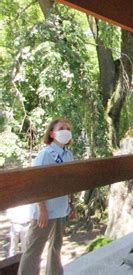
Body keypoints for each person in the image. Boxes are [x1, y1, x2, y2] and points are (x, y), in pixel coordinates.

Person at [18, 118, 76, 275]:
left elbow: (70, 182)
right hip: (44, 211)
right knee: (34, 250)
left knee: (56, 247)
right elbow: (35, 183)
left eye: (68, 128)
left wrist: (72, 204)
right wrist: (42, 209)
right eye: (61, 128)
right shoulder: (45, 154)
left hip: (61, 209)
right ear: (52, 133)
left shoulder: (69, 154)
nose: (66, 131)